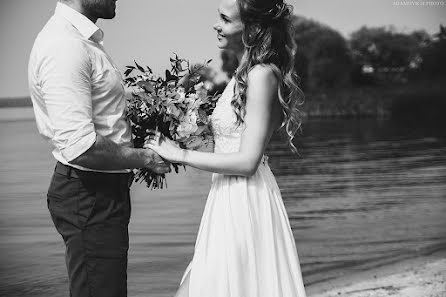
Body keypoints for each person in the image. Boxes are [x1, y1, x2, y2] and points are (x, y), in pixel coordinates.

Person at [145, 0, 307, 296]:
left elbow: (247, 161)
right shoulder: (242, 76)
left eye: (225, 19)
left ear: (252, 28)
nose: (216, 25)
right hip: (225, 196)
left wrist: (179, 154)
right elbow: (230, 141)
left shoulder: (261, 76)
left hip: (245, 198)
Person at [28, 1, 170, 296]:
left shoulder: (82, 41)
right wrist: (145, 157)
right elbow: (81, 147)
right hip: (89, 193)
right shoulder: (65, 45)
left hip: (99, 192)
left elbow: (101, 118)